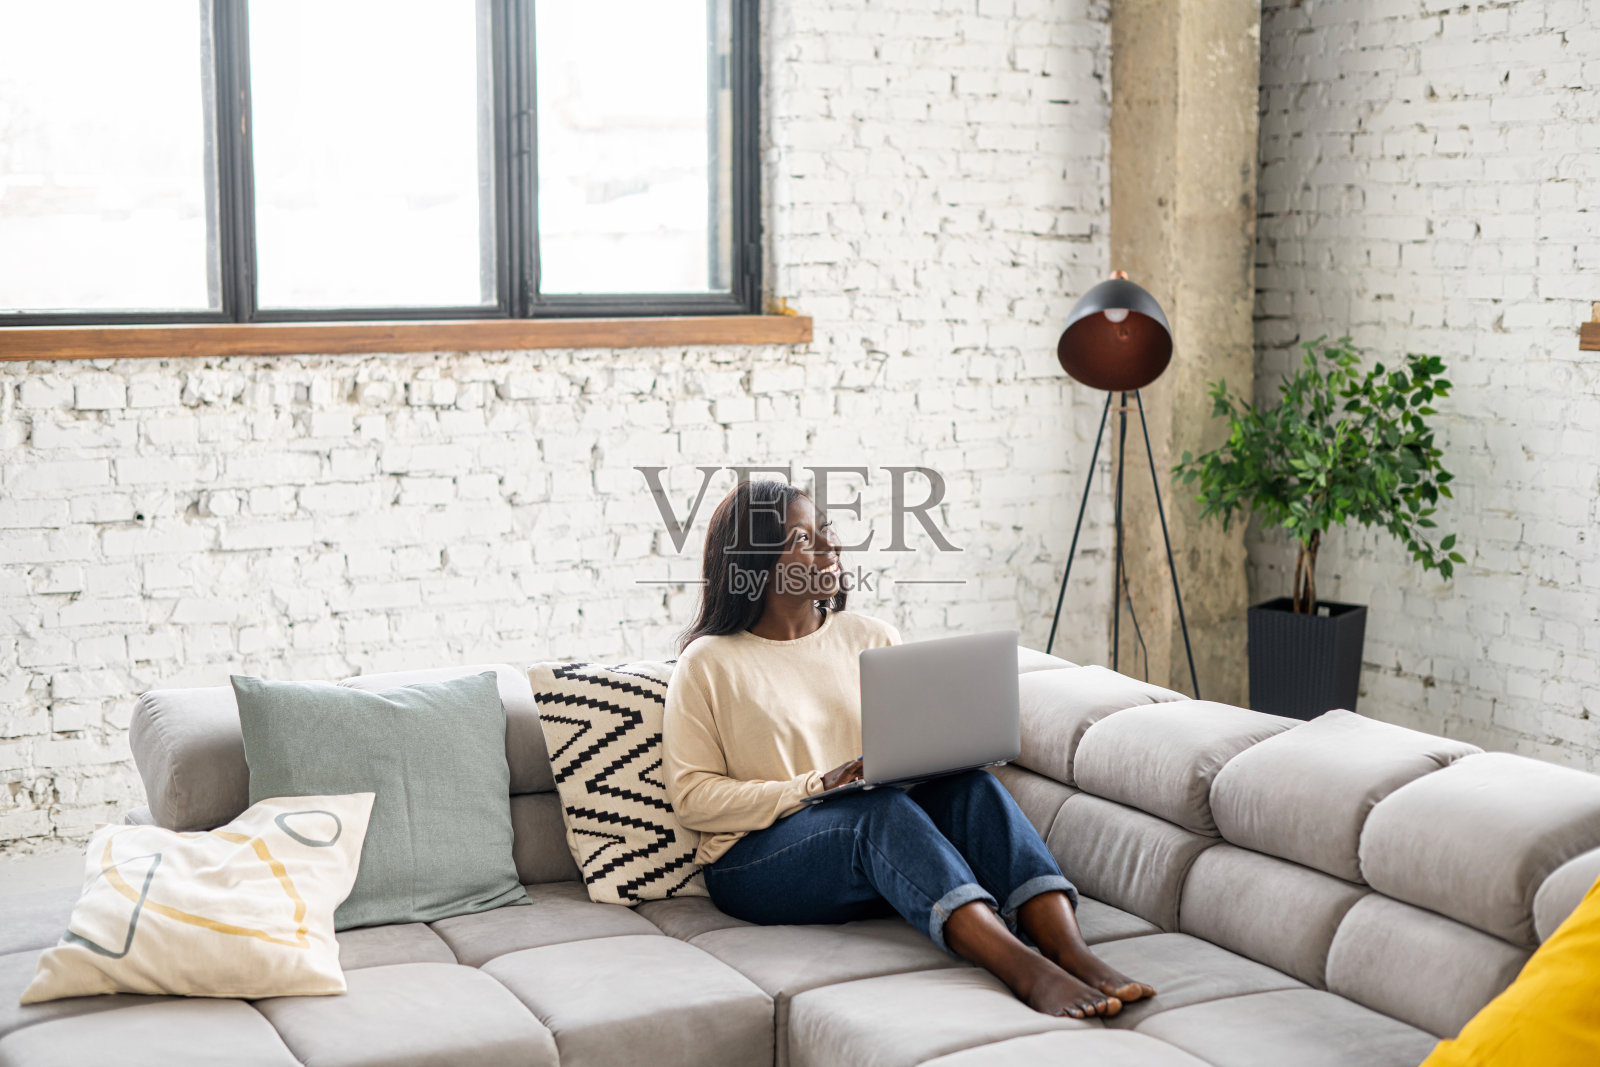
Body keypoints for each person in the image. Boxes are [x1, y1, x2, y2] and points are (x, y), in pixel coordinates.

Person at [662, 479, 1155, 1019]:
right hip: (755, 862)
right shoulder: (709, 663)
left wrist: (936, 755)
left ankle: (1073, 952)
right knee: (875, 811)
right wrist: (815, 786)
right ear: (755, 563)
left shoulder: (871, 637)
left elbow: (901, 756)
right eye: (803, 539)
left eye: (826, 529)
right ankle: (1027, 971)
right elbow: (693, 799)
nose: (830, 545)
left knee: (971, 788)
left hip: (872, 847)